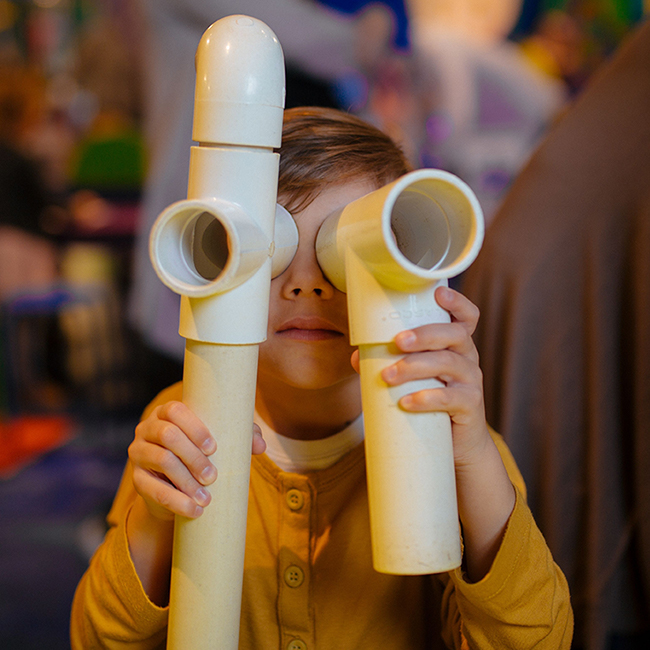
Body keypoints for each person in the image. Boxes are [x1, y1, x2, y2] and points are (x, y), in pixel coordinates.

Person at [70, 107, 573, 649]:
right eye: (271, 252)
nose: (306, 287)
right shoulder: (181, 422)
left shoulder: (457, 446)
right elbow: (98, 640)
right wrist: (153, 518)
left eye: (344, 253)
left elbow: (538, 640)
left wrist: (473, 459)